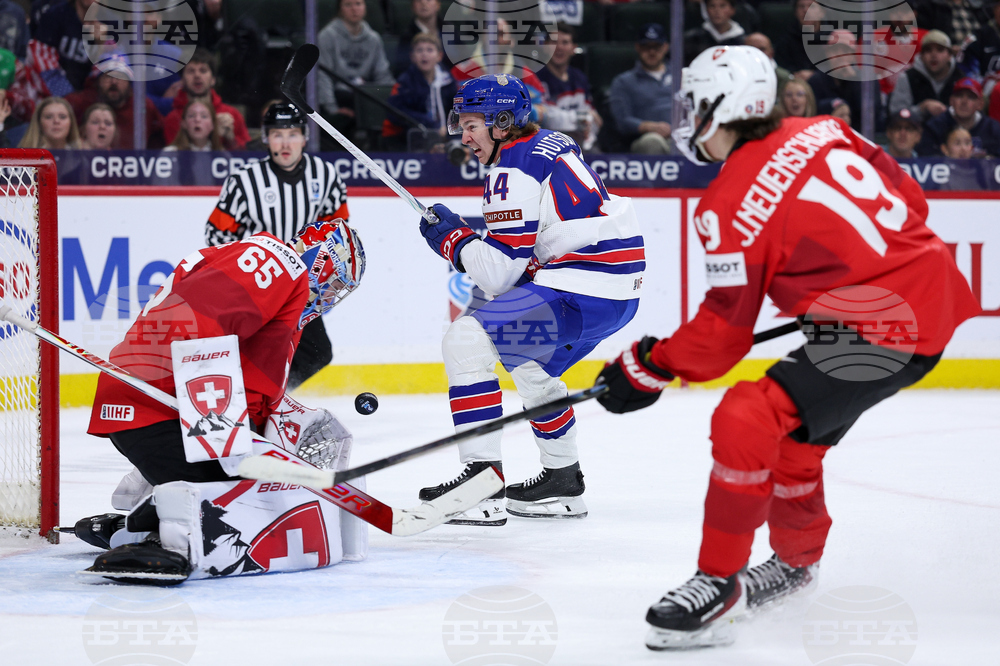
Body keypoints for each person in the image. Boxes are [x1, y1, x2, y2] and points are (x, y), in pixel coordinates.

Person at [595, 45, 980, 650]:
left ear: (719, 108)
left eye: (692, 104)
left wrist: (647, 365)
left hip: (884, 324)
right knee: (796, 436)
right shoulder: (825, 128)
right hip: (928, 298)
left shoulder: (726, 202)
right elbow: (912, 202)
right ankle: (796, 565)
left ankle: (718, 583)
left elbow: (721, 339)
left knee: (748, 415)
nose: (685, 117)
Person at [81, 220, 366, 582]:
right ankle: (162, 532)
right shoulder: (277, 261)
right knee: (238, 507)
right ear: (321, 257)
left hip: (161, 405)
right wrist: (218, 431)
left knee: (257, 490)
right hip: (156, 406)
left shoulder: (282, 291)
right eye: (336, 281)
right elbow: (200, 321)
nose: (330, 294)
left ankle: (145, 512)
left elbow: (250, 380)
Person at [416, 74, 645, 525]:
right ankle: (562, 480)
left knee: (466, 340)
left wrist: (453, 241)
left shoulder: (511, 169)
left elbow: (500, 273)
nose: (464, 136)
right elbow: (527, 245)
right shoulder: (547, 142)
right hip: (616, 291)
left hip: (580, 287)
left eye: (473, 125)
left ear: (503, 122)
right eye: (461, 123)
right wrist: (469, 241)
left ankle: (481, 487)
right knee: (528, 362)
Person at [206, 103, 350, 391]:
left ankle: (272, 396)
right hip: (256, 283)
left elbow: (337, 233)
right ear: (266, 138)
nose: (285, 143)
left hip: (300, 287)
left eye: (293, 134)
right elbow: (216, 236)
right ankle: (246, 398)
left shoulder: (326, 176)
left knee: (317, 353)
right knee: (252, 350)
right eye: (277, 134)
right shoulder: (244, 181)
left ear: (304, 138)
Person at [317, 0, 395, 143]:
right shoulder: (327, 36)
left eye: (358, 4)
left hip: (364, 96)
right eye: (348, 5)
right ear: (340, 9)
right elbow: (323, 75)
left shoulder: (373, 38)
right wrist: (332, 108)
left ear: (365, 7)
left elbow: (383, 75)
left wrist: (390, 103)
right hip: (339, 97)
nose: (354, 9)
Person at [382, 33, 456, 151]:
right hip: (411, 140)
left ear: (439, 56)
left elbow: (457, 110)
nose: (424, 54)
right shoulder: (405, 81)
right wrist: (431, 125)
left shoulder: (449, 81)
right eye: (419, 50)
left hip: (445, 137)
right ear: (412, 56)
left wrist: (448, 131)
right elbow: (394, 112)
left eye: (429, 50)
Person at [162, 49, 248, 150]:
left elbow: (246, 157)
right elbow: (177, 157)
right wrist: (214, 134)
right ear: (182, 80)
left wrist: (230, 139)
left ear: (213, 80)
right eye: (191, 71)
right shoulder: (173, 118)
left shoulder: (233, 115)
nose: (197, 76)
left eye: (203, 70)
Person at [608, 23, 674, 154]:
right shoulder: (624, 81)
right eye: (646, 47)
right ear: (637, 47)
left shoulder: (681, 76)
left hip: (681, 137)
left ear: (666, 47)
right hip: (646, 138)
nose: (652, 52)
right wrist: (651, 127)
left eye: (657, 47)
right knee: (652, 143)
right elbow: (622, 121)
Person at [535, 23, 602, 152]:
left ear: (573, 48)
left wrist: (586, 141)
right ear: (545, 46)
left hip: (581, 145)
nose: (559, 47)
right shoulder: (536, 79)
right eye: (554, 42)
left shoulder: (580, 78)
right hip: (546, 146)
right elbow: (545, 118)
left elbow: (593, 120)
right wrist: (579, 119)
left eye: (565, 43)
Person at [65, 65, 165, 149]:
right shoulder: (80, 102)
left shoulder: (143, 107)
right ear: (98, 82)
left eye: (120, 76)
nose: (114, 81)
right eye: (108, 76)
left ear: (129, 83)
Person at [888, 30, 962, 123]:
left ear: (950, 55)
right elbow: (896, 114)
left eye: (940, 50)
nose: (933, 55)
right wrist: (921, 109)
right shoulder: (907, 77)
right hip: (916, 134)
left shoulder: (961, 78)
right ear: (921, 56)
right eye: (928, 50)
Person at [919, 76, 1000, 155]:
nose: (964, 102)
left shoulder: (995, 129)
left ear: (980, 104)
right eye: (959, 96)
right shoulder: (934, 127)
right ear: (951, 100)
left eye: (971, 97)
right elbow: (926, 158)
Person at [683, 0, 746, 66]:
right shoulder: (693, 39)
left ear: (732, 10)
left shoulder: (743, 42)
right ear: (706, 10)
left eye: (722, 6)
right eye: (712, 6)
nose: (717, 11)